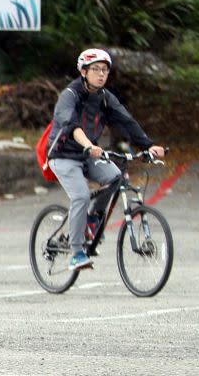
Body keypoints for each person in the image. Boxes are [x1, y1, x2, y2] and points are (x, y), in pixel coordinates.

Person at [46, 48, 165, 271]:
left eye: (105, 70)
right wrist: (89, 145)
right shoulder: (69, 95)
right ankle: (76, 252)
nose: (101, 74)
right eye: (96, 69)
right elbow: (71, 126)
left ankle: (90, 222)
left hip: (88, 154)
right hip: (63, 155)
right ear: (83, 71)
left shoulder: (105, 98)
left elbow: (127, 122)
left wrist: (149, 146)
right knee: (80, 195)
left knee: (116, 177)